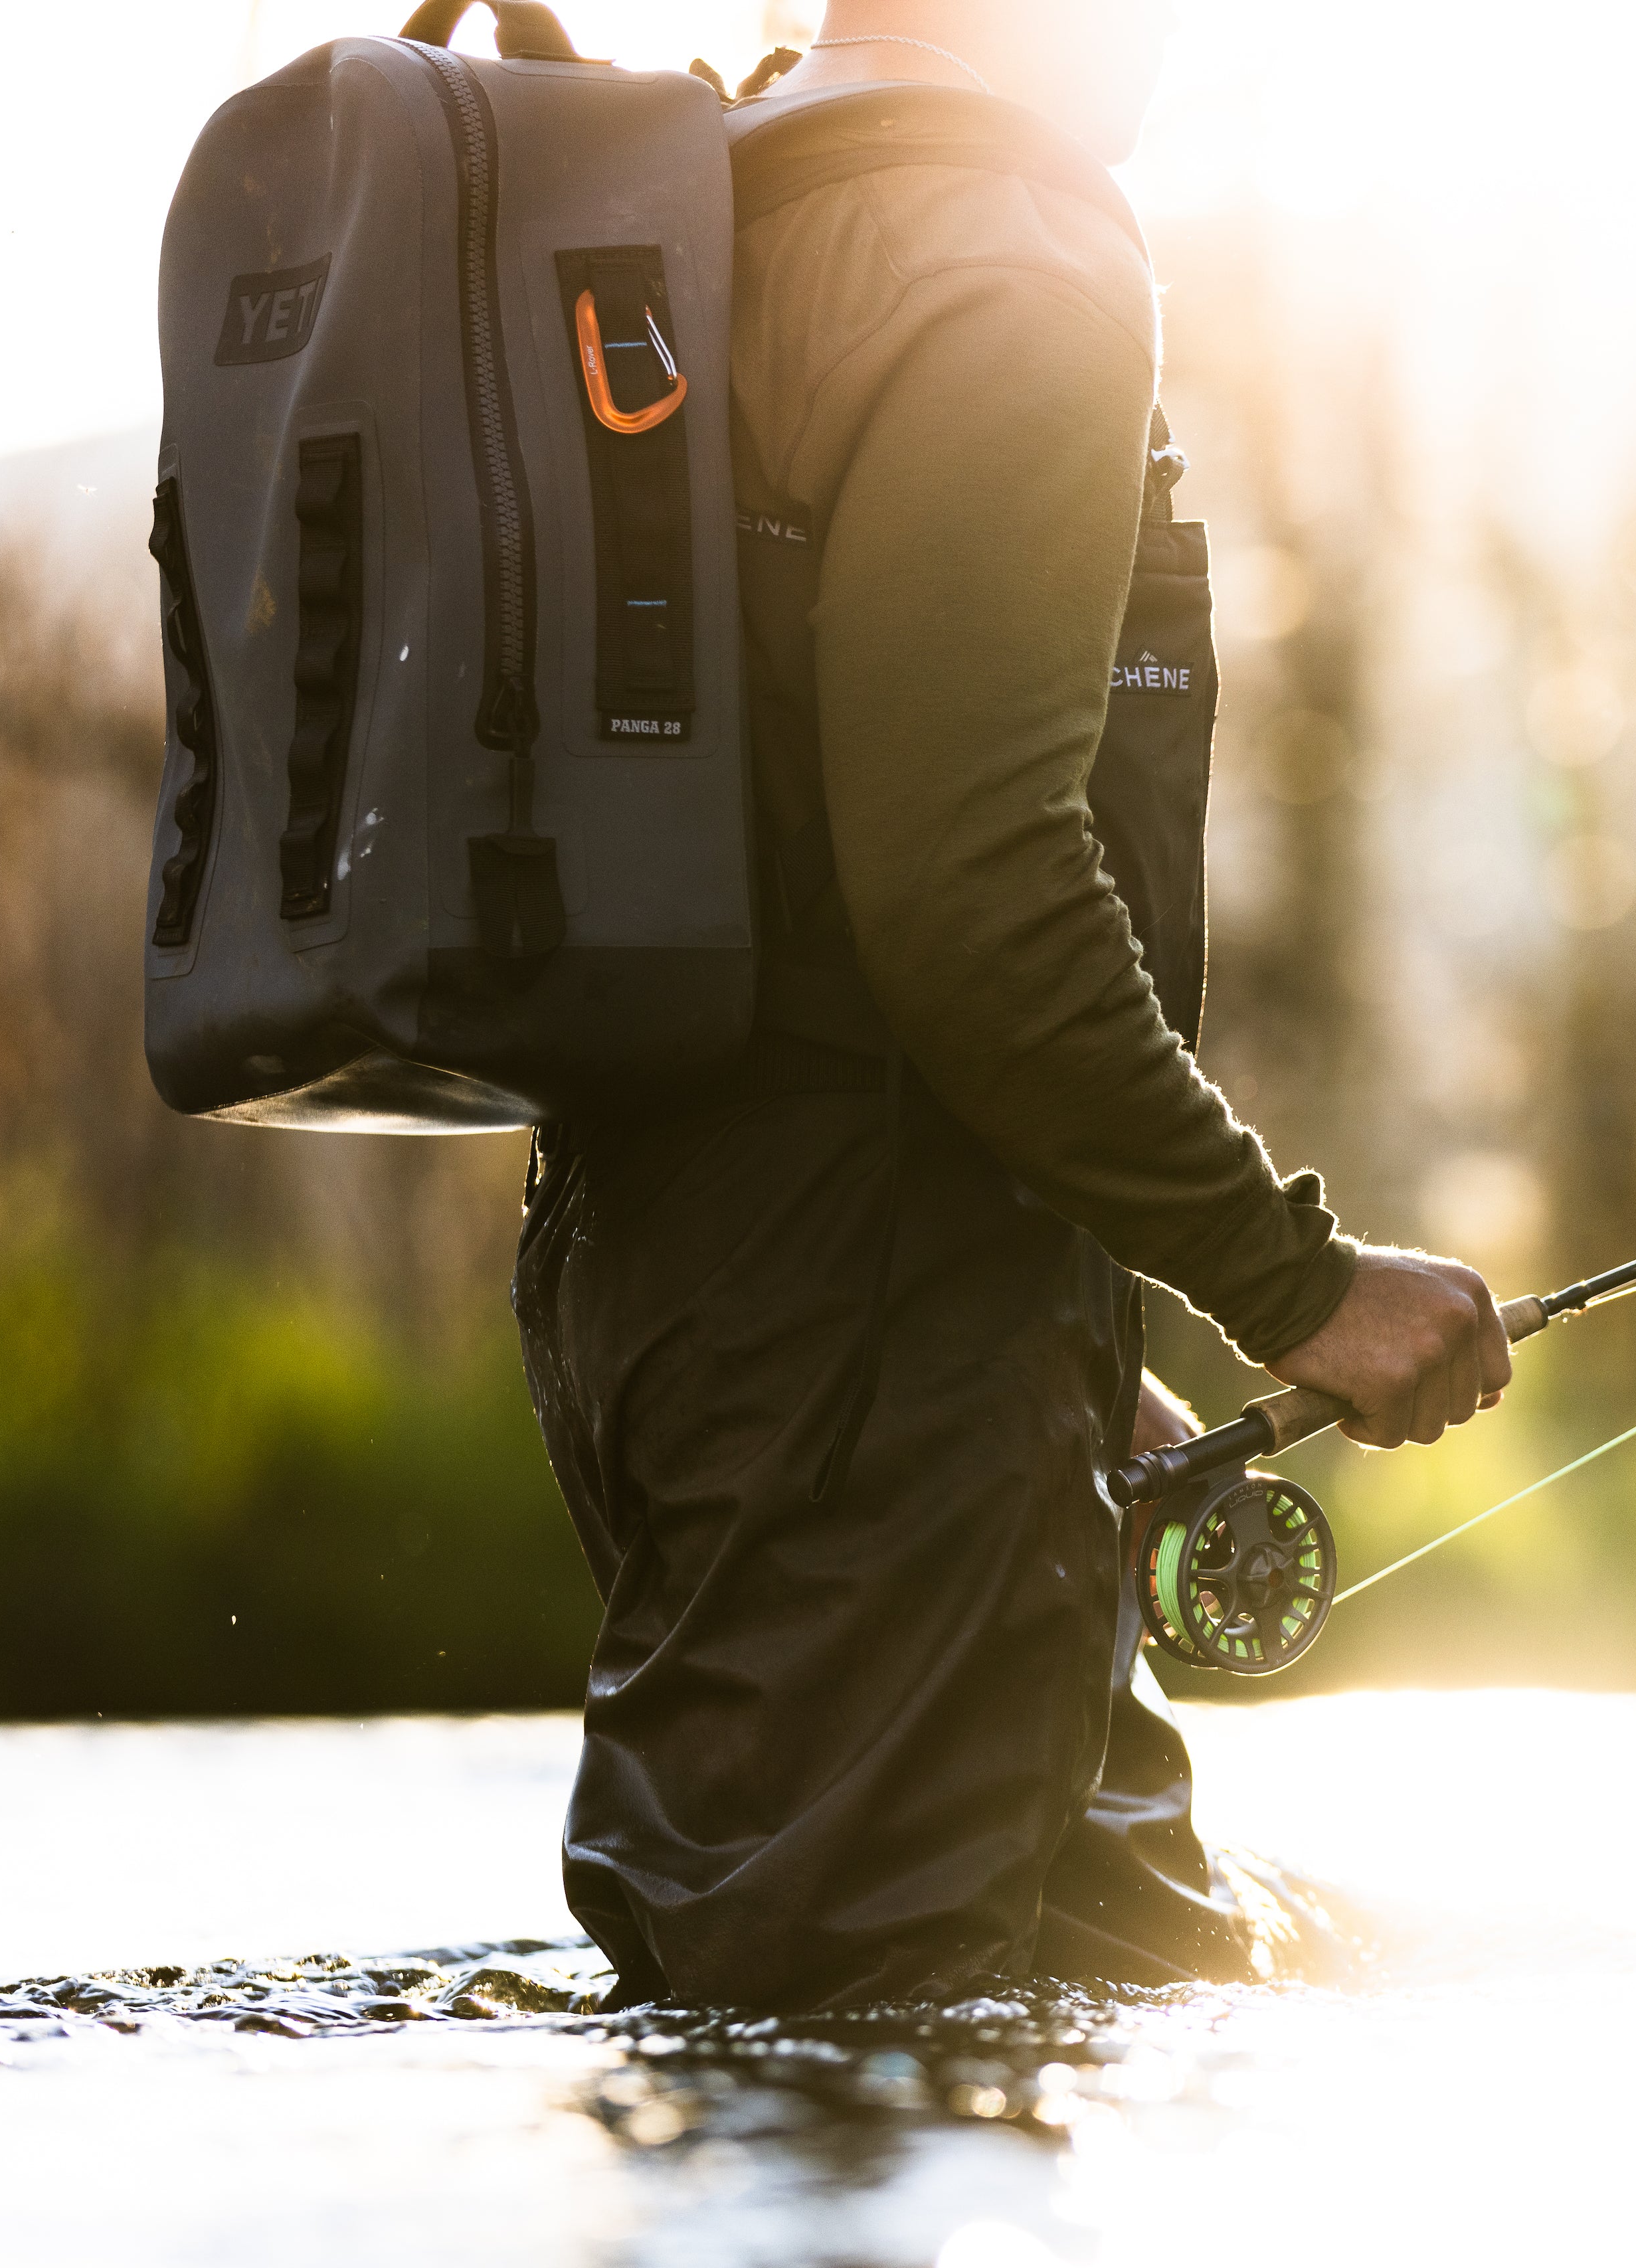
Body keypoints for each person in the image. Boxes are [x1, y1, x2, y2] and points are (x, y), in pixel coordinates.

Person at [511, 0, 1511, 2010]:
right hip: (870, 1361)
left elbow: (774, 881)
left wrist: (1060, 1337)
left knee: (1108, 1981)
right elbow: (965, 890)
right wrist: (1289, 1281)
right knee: (842, 2057)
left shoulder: (735, 211)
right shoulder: (1004, 263)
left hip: (728, 1298)